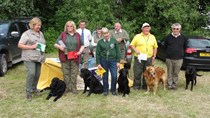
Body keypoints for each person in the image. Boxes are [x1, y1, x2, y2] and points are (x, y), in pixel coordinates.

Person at [18, 17, 45, 101]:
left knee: (37, 74)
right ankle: (28, 92)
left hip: (38, 57)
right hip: (29, 57)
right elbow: (20, 45)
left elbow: (41, 44)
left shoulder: (41, 33)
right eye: (37, 25)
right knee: (31, 73)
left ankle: (34, 89)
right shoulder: (26, 34)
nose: (39, 27)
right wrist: (31, 47)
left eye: (40, 25)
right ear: (32, 25)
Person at [54, 21, 84, 94]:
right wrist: (61, 48)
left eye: (71, 26)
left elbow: (82, 45)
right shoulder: (63, 34)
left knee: (74, 73)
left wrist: (79, 52)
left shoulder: (77, 35)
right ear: (66, 27)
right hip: (65, 56)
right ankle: (67, 87)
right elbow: (55, 44)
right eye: (68, 26)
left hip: (75, 57)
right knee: (66, 73)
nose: (69, 27)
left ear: (74, 27)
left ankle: (74, 88)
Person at [130, 23, 158, 90]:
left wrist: (154, 55)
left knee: (148, 72)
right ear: (142, 29)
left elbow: (155, 47)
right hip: (139, 57)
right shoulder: (137, 36)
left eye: (147, 28)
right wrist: (136, 50)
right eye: (145, 28)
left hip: (148, 58)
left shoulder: (152, 37)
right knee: (137, 72)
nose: (146, 29)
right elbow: (131, 45)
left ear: (149, 29)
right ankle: (136, 86)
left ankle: (145, 86)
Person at [96, 27, 121, 96]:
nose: (106, 35)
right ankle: (105, 90)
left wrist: (118, 61)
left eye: (107, 33)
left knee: (114, 75)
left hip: (113, 60)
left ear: (109, 33)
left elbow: (118, 51)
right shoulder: (100, 42)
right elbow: (97, 53)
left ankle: (113, 90)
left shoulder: (114, 41)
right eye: (104, 34)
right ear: (102, 34)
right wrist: (98, 63)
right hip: (103, 61)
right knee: (105, 76)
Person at [164, 23, 188, 90]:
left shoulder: (183, 37)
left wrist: (180, 53)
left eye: (177, 29)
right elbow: (165, 46)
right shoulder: (168, 37)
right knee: (170, 72)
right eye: (174, 29)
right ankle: (169, 85)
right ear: (172, 29)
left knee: (176, 73)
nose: (175, 30)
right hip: (169, 58)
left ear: (180, 29)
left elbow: (185, 47)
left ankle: (174, 85)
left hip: (179, 58)